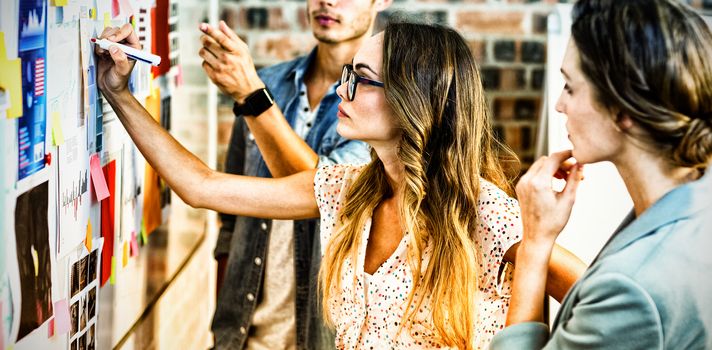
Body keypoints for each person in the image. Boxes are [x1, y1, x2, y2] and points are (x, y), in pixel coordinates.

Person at [95, 20, 582, 349]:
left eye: (362, 79)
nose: (342, 90)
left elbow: (602, 297)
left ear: (413, 99)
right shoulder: (346, 190)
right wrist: (116, 93)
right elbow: (200, 187)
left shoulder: (489, 214)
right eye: (347, 75)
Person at [491, 0, 712, 349]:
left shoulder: (630, 289)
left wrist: (535, 243)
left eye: (570, 87)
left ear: (622, 109)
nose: (559, 105)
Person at [197, 0, 390, 346]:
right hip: (242, 337)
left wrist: (253, 98)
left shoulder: (381, 106)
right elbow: (230, 224)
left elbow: (322, 191)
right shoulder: (267, 82)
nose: (326, 2)